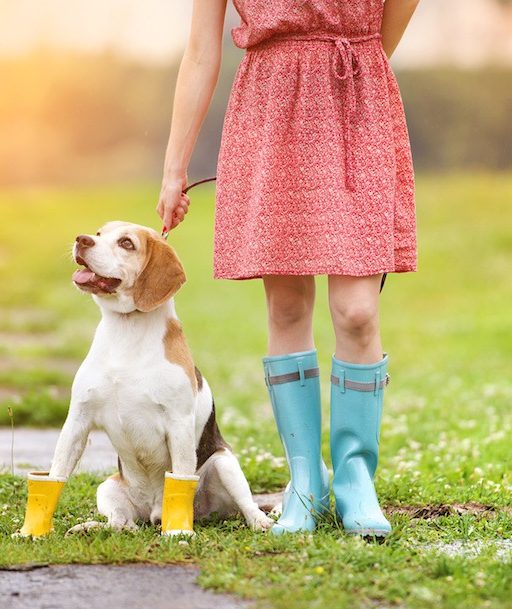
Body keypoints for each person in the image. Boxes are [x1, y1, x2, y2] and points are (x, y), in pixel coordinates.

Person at [157, 0, 419, 537]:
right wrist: (173, 168)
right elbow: (202, 49)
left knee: (357, 312)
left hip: (355, 101)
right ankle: (306, 480)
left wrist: (348, 62)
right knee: (288, 304)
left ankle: (354, 480)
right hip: (271, 108)